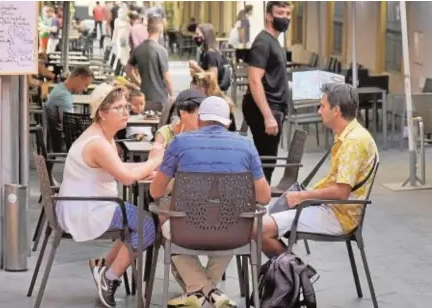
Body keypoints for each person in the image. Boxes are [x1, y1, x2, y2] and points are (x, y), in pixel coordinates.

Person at [150, 96, 271, 308]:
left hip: (186, 230)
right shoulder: (246, 145)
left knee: (163, 217)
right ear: (228, 123)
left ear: (199, 120)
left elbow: (155, 191)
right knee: (235, 217)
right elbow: (264, 197)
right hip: (234, 233)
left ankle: (199, 290)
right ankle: (210, 290)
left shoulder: (179, 143)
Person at [56, 83, 164, 308]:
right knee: (148, 226)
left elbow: (119, 168)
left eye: (126, 106)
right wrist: (154, 161)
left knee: (141, 221)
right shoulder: (98, 144)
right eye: (119, 108)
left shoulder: (103, 137)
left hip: (90, 204)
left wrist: (146, 168)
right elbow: (124, 177)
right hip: (87, 209)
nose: (126, 111)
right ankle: (109, 278)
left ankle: (103, 265)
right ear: (102, 113)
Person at [256, 83, 379, 258]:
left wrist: (302, 196)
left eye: (322, 106)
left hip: (338, 216)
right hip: (332, 209)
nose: (319, 111)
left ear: (336, 110)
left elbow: (341, 192)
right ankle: (290, 275)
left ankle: (297, 277)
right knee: (258, 218)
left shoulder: (353, 142)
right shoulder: (352, 135)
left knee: (258, 229)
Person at [242, 1, 291, 182]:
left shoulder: (273, 41)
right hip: (266, 109)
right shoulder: (263, 43)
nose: (285, 17)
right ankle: (259, 205)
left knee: (267, 163)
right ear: (269, 16)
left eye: (287, 13)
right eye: (280, 13)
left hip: (273, 107)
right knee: (265, 164)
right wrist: (268, 116)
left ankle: (259, 202)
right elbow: (254, 80)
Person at [125, 16, 173, 112]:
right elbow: (166, 78)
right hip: (160, 98)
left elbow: (128, 69)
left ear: (148, 29)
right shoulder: (161, 51)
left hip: (144, 95)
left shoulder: (138, 49)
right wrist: (172, 95)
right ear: (160, 29)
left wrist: (139, 82)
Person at [45, 66, 93, 153]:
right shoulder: (64, 98)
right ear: (78, 78)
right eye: (85, 85)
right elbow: (70, 129)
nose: (85, 89)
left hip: (55, 142)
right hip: (62, 147)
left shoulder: (59, 88)